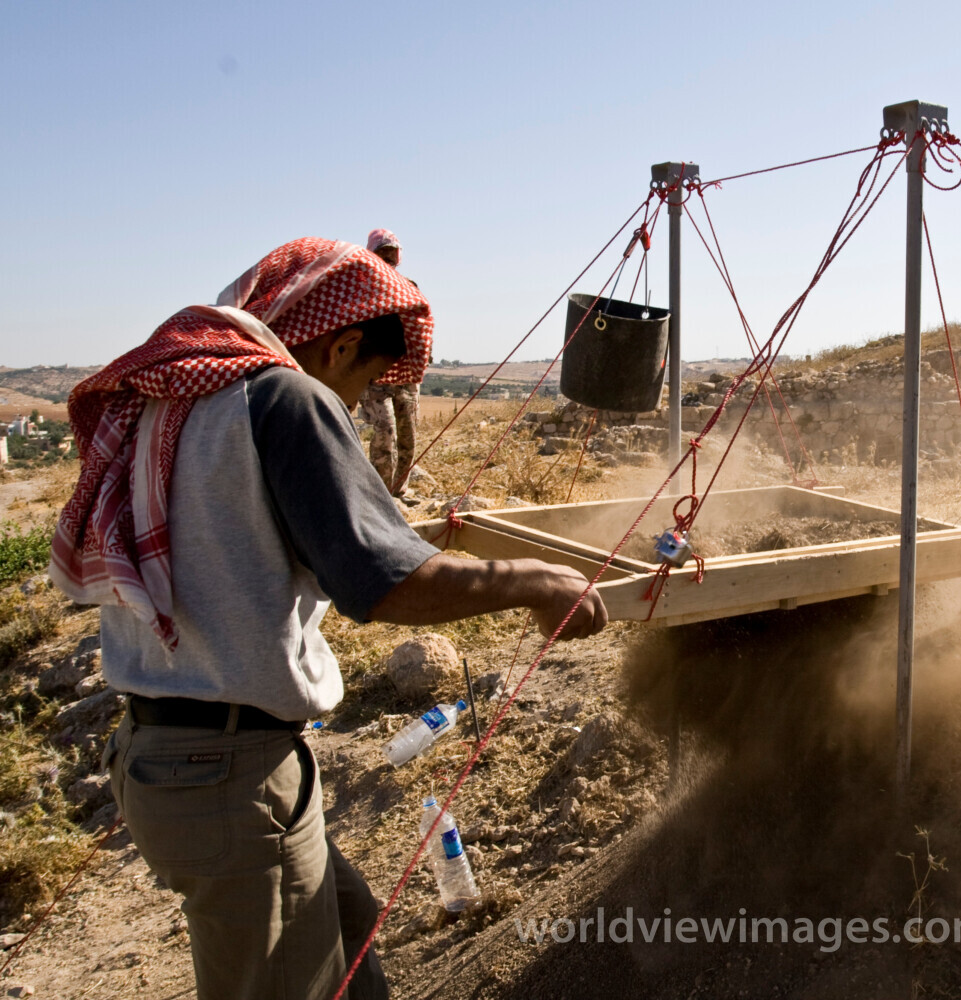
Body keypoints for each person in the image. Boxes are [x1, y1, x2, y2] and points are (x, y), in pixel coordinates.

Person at [50, 237, 607, 1000]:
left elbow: (244, 535)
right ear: (340, 341)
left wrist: (397, 532)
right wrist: (534, 580)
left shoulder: (177, 398)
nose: (354, 403)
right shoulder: (285, 397)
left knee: (347, 945)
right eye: (364, 380)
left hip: (169, 757)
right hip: (228, 775)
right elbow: (384, 588)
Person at [360, 229, 422, 496]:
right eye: (381, 253)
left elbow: (420, 325)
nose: (387, 258)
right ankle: (380, 494)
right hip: (375, 374)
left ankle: (399, 491)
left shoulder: (409, 286)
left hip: (405, 374)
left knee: (408, 437)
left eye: (391, 253)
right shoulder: (361, 290)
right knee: (385, 430)